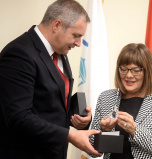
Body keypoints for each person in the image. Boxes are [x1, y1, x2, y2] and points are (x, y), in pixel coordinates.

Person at [0, 0, 102, 159]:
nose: (78, 43)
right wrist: (69, 135)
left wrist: (76, 116)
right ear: (57, 25)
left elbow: (50, 101)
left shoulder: (60, 52)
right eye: (76, 36)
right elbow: (19, 118)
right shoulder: (19, 54)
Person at [90, 43, 152, 159]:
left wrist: (135, 130)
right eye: (124, 69)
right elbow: (92, 150)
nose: (128, 75)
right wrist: (104, 131)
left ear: (147, 72)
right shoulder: (106, 98)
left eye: (136, 70)